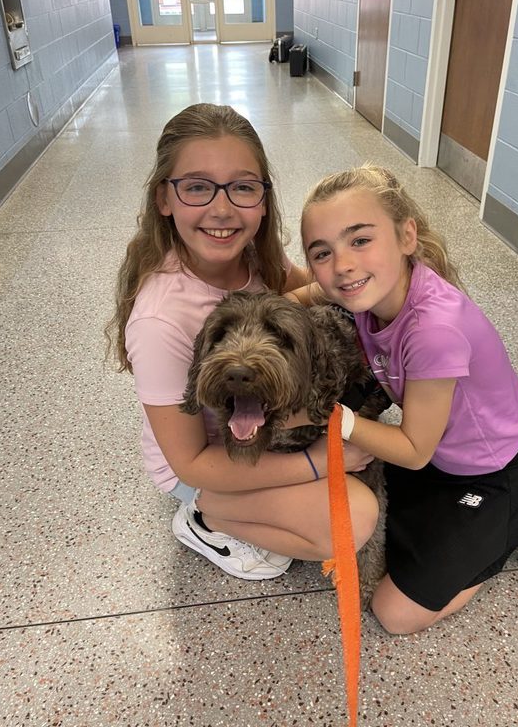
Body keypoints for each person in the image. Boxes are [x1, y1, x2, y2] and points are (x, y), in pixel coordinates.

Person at [298, 164, 518, 634]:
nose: (343, 264)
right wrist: (268, 306)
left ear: (407, 235)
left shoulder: (433, 330)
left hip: (495, 474)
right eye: (322, 252)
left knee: (393, 614)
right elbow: (313, 291)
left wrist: (325, 416)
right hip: (444, 460)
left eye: (360, 240)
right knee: (388, 528)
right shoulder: (375, 291)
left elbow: (413, 450)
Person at [105, 103, 378, 582]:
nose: (222, 208)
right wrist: (321, 462)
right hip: (207, 467)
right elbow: (190, 461)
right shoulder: (159, 320)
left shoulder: (251, 256)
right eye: (196, 186)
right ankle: (207, 519)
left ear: (264, 200)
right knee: (354, 520)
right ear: (162, 199)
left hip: (270, 427)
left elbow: (311, 295)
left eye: (243, 187)